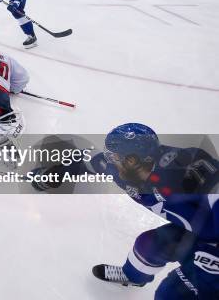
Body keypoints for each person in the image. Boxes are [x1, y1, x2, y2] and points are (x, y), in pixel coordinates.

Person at [32, 123, 219, 299]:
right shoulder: (122, 170)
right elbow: (87, 161)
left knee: (169, 294)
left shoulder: (184, 173)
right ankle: (133, 276)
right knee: (150, 245)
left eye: (114, 157)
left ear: (132, 160)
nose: (109, 162)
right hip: (199, 229)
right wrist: (52, 174)